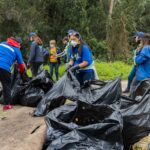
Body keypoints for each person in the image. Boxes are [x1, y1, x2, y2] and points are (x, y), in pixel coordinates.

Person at [0, 37, 25, 110]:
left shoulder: (2, 43)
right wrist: (23, 73)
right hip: (4, 68)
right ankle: (7, 105)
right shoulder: (17, 50)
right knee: (6, 86)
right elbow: (21, 64)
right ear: (18, 43)